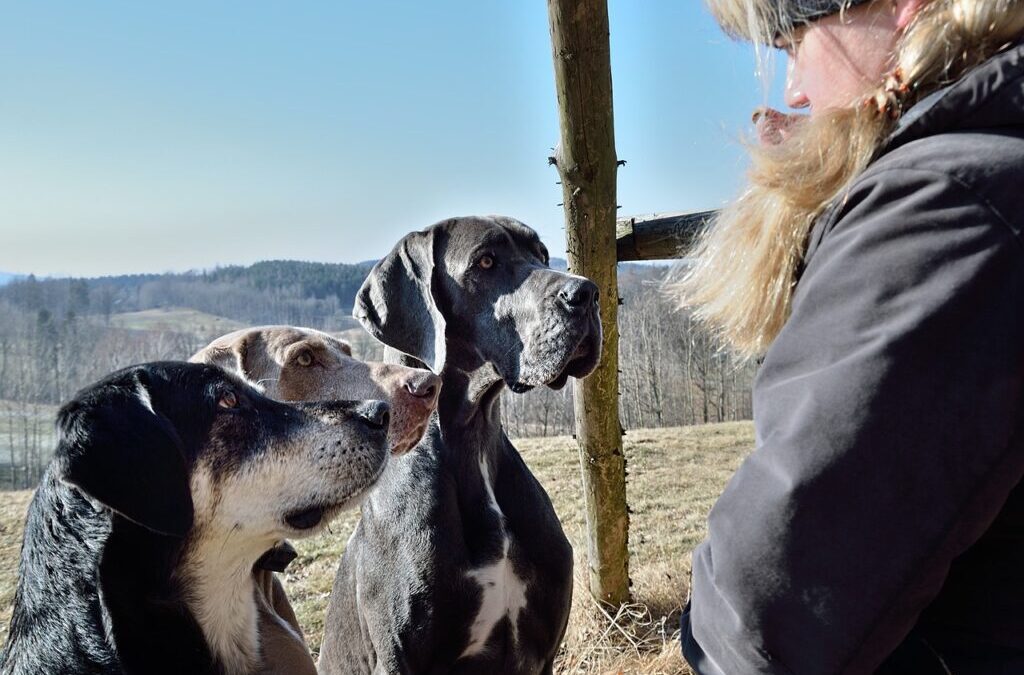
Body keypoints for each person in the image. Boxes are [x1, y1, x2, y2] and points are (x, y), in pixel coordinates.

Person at [674, 0, 1024, 673]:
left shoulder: (948, 204)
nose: (796, 91)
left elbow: (766, 612)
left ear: (903, 9)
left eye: (796, 43)